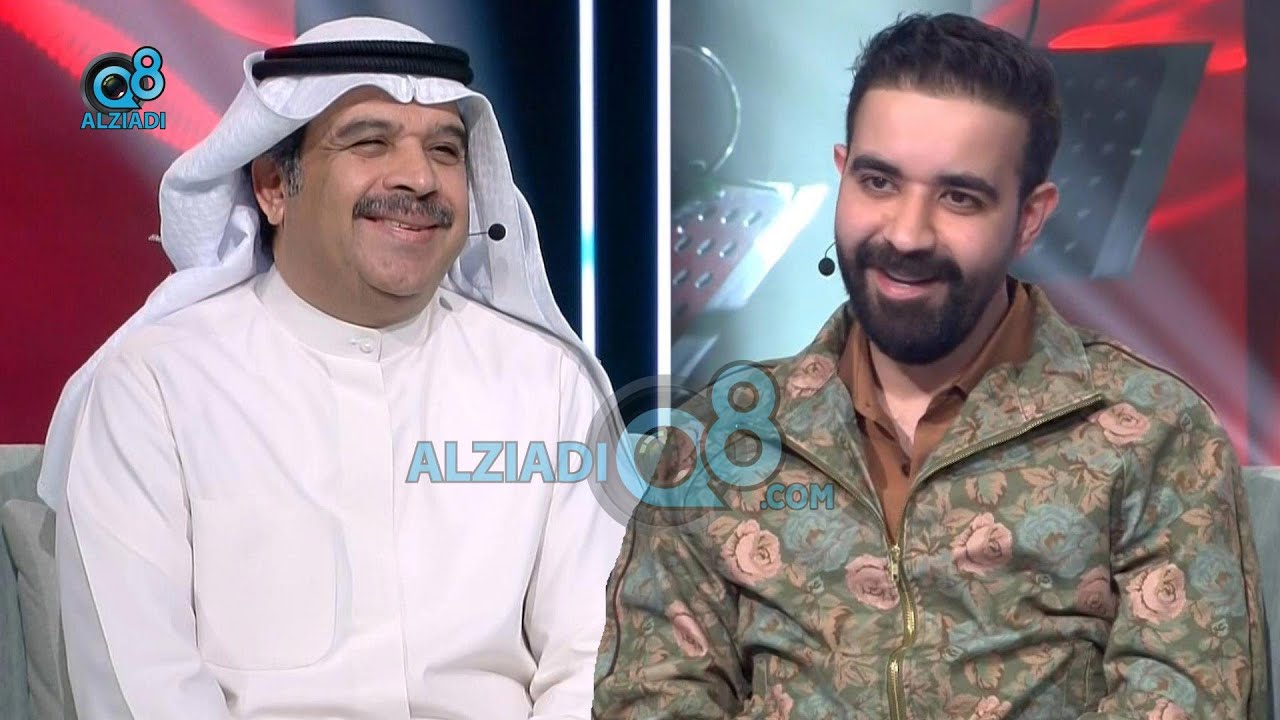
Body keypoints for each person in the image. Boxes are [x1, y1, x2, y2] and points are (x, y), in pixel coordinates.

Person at [593, 12, 1267, 719]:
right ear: (842, 173)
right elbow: (650, 698)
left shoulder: (1152, 433)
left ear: (1030, 218)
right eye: (879, 182)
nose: (908, 234)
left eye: (959, 197)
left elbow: (1186, 704)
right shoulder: (718, 440)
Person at [43, 16, 626, 719]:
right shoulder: (156, 386)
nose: (419, 178)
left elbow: (598, 659)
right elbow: (140, 686)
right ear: (272, 186)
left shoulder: (548, 384)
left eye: (445, 150)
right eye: (369, 141)